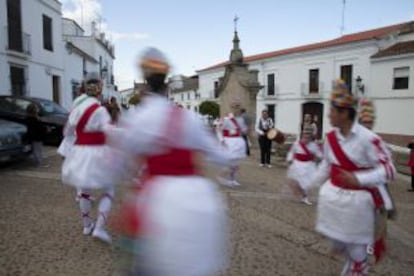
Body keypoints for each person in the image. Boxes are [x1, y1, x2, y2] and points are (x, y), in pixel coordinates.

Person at [105, 47, 232, 275]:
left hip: (158, 199)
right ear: (167, 82)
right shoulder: (189, 118)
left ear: (145, 80)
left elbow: (118, 167)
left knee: (146, 266)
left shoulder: (137, 118)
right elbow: (223, 156)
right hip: (197, 199)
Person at [311, 80, 396, 275]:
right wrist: (307, 183)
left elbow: (389, 169)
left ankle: (358, 266)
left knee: (357, 252)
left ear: (344, 113)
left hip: (357, 205)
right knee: (339, 242)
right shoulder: (330, 138)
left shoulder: (369, 139)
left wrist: (359, 179)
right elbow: (325, 165)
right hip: (333, 203)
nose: (328, 115)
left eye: (332, 111)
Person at [61, 72, 114, 243]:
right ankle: (99, 227)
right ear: (99, 90)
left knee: (84, 192)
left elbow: (67, 132)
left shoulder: (76, 109)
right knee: (109, 190)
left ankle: (86, 225)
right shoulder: (100, 110)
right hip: (98, 152)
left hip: (80, 152)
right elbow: (109, 132)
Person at [286, 125, 322, 205]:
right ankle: (302, 195)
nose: (306, 139)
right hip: (297, 165)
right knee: (297, 181)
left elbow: (319, 155)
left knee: (308, 182)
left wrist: (317, 158)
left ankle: (305, 197)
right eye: (305, 137)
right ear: (302, 136)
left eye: (308, 137)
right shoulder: (296, 144)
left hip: (309, 165)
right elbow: (291, 152)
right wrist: (289, 161)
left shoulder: (313, 145)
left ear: (310, 138)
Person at [215, 100, 247, 187]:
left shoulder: (240, 119)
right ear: (231, 107)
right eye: (235, 106)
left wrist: (245, 130)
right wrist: (221, 140)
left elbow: (243, 131)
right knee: (230, 162)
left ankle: (233, 179)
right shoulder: (226, 119)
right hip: (229, 142)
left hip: (238, 142)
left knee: (236, 163)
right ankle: (220, 176)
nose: (237, 108)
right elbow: (218, 129)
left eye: (238, 107)